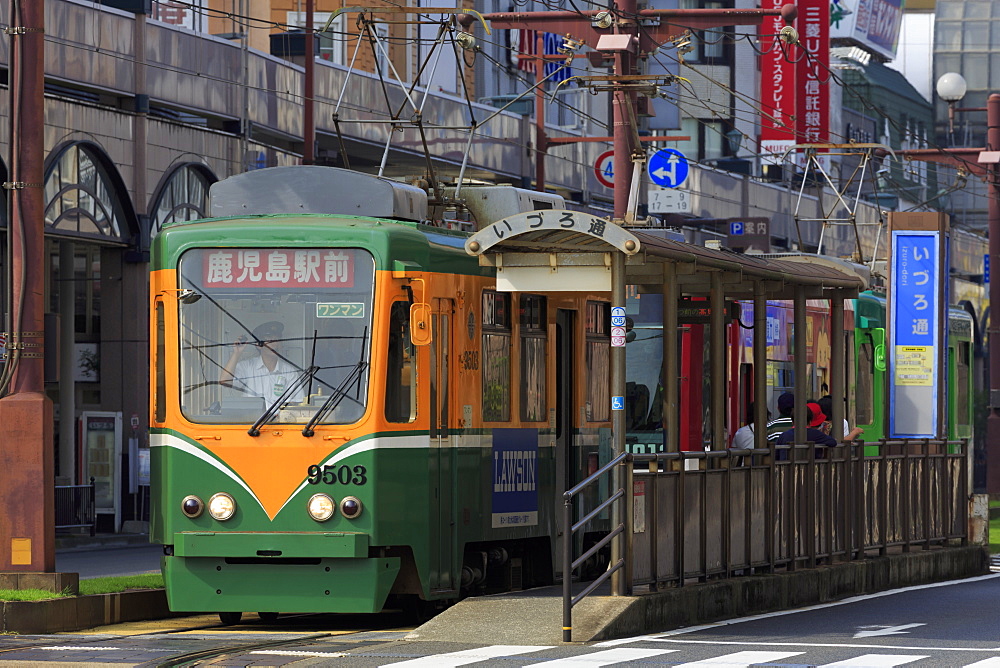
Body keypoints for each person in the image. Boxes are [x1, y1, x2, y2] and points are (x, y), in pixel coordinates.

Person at [220, 320, 305, 404]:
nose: (275, 344)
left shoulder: (289, 372)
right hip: (252, 417)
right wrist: (236, 353)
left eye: (277, 339)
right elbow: (225, 382)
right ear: (258, 345)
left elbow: (296, 403)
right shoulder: (247, 367)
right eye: (270, 340)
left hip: (279, 417)